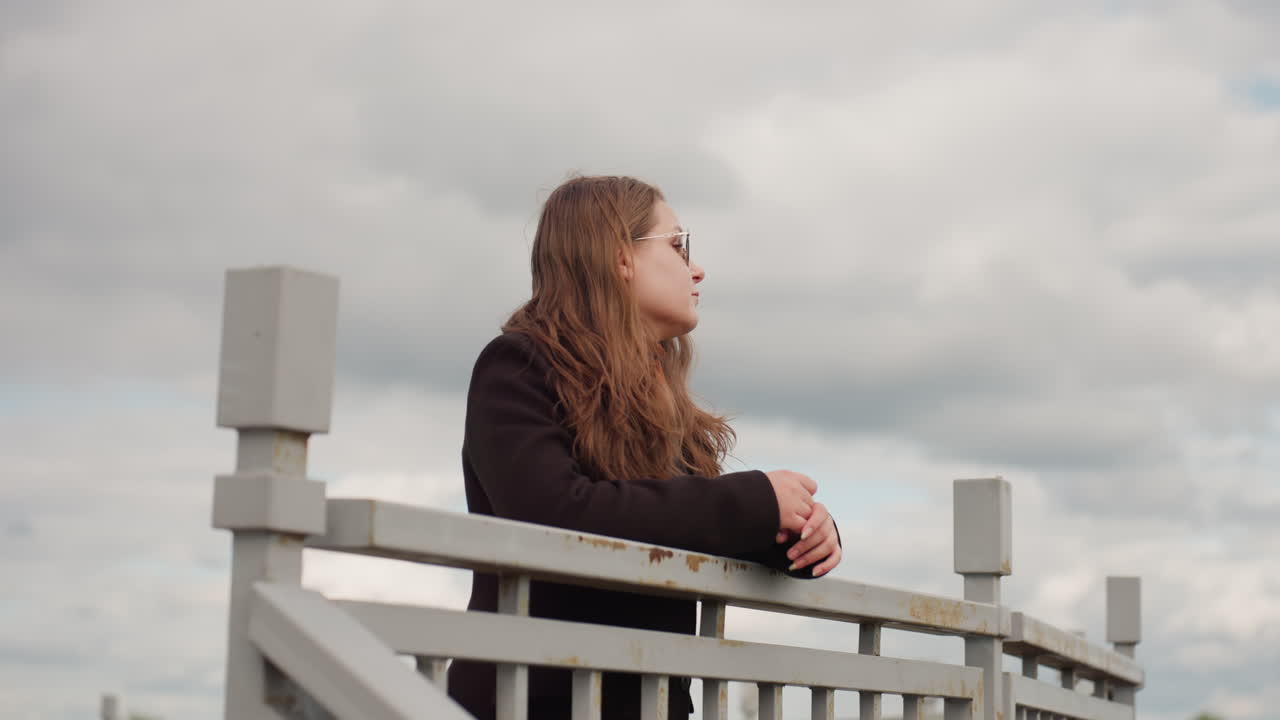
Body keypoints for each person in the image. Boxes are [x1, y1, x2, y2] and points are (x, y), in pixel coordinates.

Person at [447, 175, 842, 719]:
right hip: (534, 704)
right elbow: (553, 512)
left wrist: (798, 532)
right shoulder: (516, 365)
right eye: (679, 245)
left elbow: (687, 522)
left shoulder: (658, 395)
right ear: (620, 259)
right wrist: (754, 501)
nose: (697, 268)